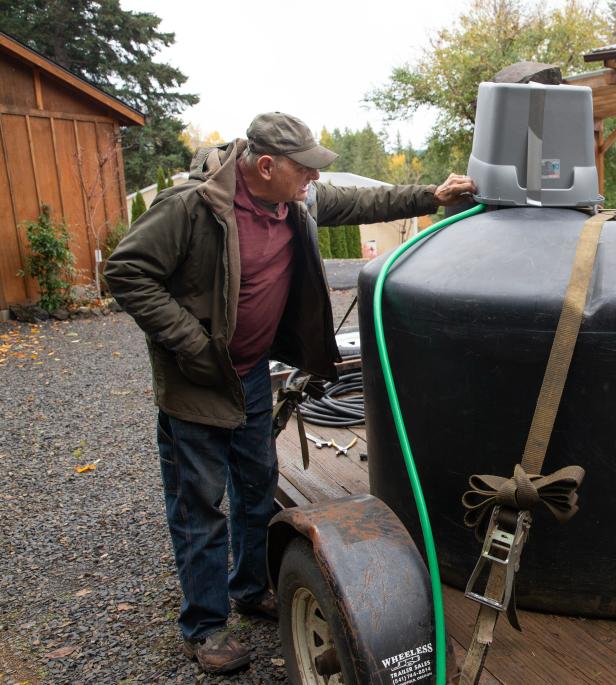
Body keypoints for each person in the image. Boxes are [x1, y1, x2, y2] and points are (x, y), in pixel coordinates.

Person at [104, 112, 476, 674]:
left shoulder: (296, 202)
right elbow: (127, 271)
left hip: (252, 378)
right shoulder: (191, 208)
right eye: (305, 169)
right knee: (199, 504)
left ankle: (250, 588)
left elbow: (361, 206)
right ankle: (204, 627)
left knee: (256, 489)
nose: (315, 180)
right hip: (198, 384)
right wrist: (193, 345)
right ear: (267, 165)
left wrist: (432, 194)